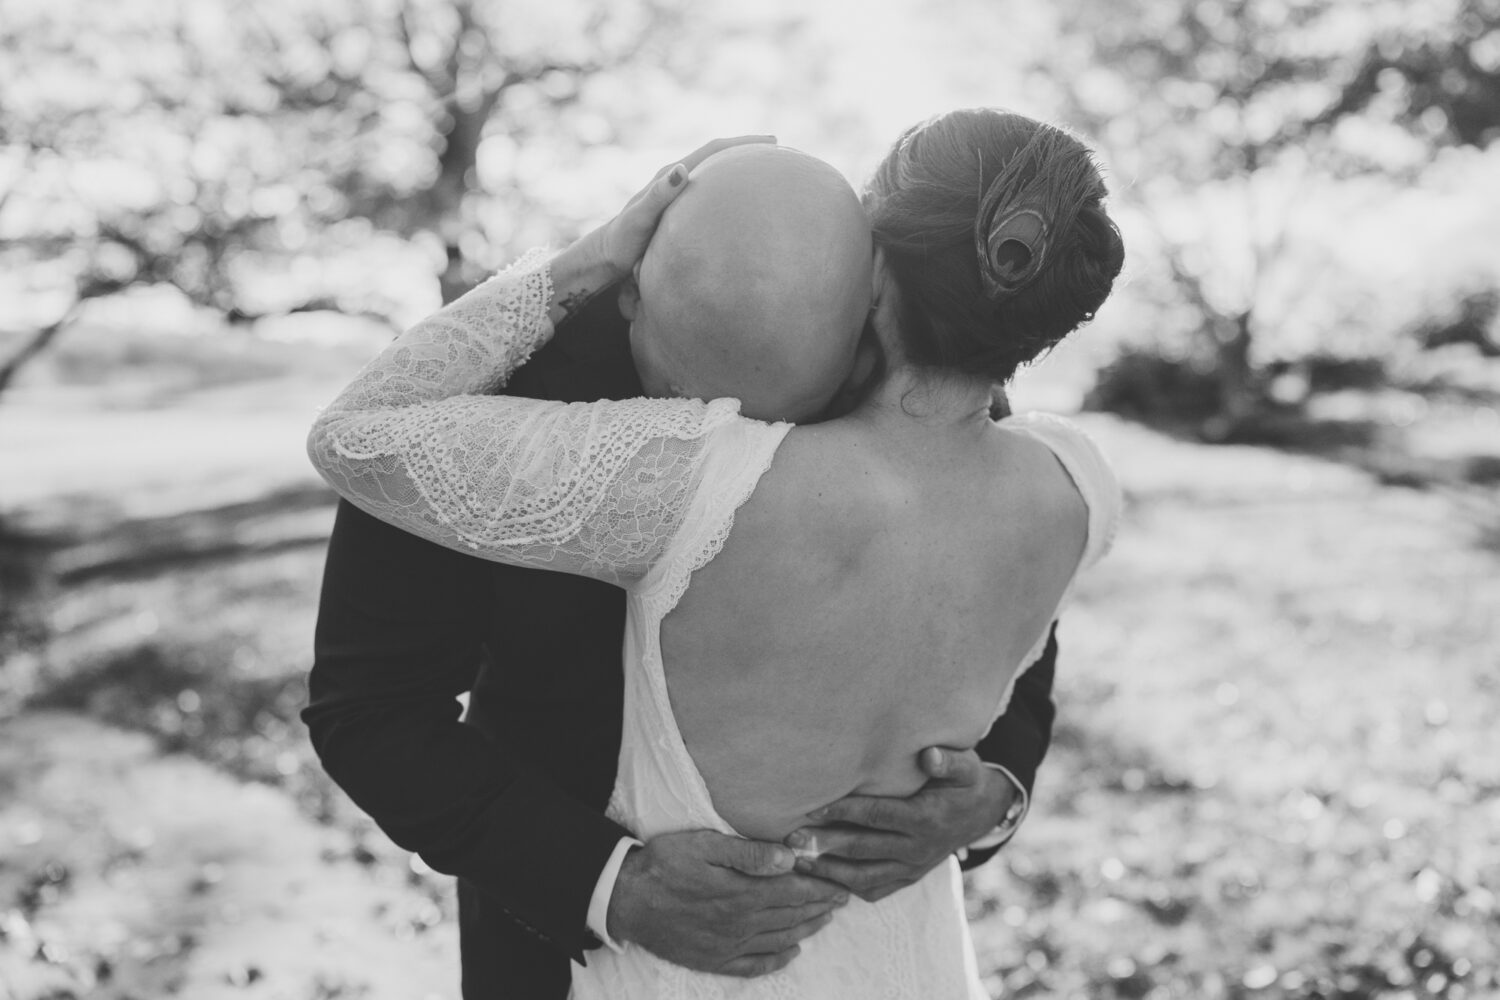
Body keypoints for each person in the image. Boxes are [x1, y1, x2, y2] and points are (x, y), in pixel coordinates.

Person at [305, 113, 1108, 996]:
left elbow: (1010, 647)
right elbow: (371, 705)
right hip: (597, 951)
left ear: (875, 260)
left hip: (880, 944)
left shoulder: (897, 413)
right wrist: (606, 884)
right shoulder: (507, 393)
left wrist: (990, 796)